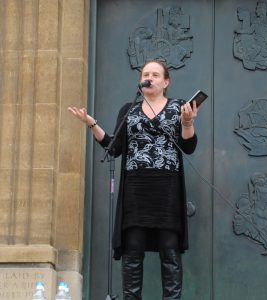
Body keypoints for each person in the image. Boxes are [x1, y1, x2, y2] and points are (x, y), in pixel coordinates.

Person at [68, 60, 199, 299]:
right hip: (136, 190)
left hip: (166, 189)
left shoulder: (179, 106)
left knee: (169, 251)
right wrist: (92, 124)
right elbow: (113, 147)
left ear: (166, 82)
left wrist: (188, 122)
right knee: (132, 251)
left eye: (156, 74)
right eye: (146, 74)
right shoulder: (129, 109)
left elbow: (188, 147)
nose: (150, 77)